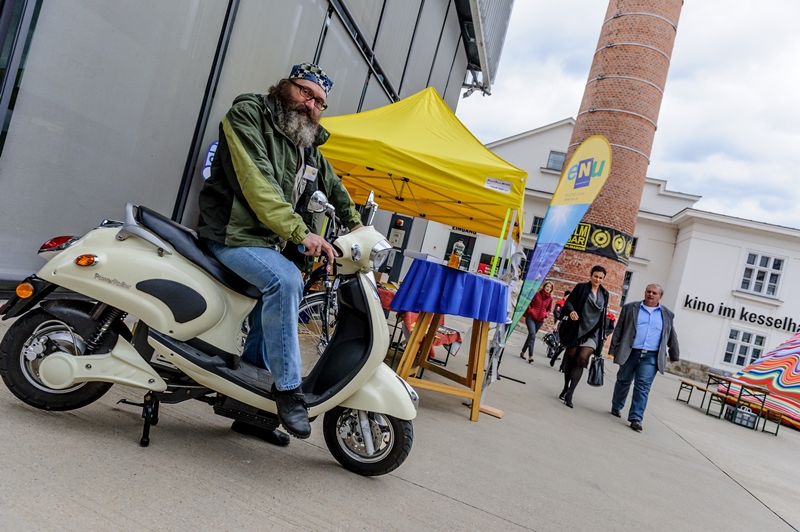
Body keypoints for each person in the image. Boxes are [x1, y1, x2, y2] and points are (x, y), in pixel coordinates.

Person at [197, 63, 363, 443]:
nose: (311, 105)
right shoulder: (249, 114)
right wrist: (300, 232)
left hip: (268, 243)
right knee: (285, 280)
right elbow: (258, 183)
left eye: (320, 102)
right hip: (232, 236)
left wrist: (359, 227)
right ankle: (288, 391)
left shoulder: (305, 143)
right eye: (306, 93)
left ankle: (251, 413)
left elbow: (332, 184)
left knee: (277, 298)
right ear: (285, 86)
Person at [609, 284, 680, 432]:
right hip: (630, 352)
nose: (651, 295)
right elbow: (619, 329)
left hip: (651, 356)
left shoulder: (667, 314)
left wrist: (674, 354)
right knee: (623, 380)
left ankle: (636, 418)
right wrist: (613, 348)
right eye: (648, 291)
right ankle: (616, 405)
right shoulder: (630, 308)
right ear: (645, 292)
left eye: (654, 293)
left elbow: (671, 334)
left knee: (643, 387)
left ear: (660, 296)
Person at [558, 265, 609, 408]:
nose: (597, 279)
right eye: (595, 276)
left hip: (593, 332)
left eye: (600, 277)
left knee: (581, 359)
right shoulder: (581, 287)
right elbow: (569, 302)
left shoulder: (605, 293)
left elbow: (603, 314)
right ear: (591, 275)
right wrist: (572, 311)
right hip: (577, 327)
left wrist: (603, 334)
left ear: (603, 279)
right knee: (571, 357)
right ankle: (565, 387)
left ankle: (570, 394)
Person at [520, 281, 554, 363]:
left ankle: (523, 352)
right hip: (531, 317)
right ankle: (530, 356)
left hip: (540, 320)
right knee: (532, 335)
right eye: (547, 286)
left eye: (550, 288)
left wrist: (545, 314)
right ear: (544, 286)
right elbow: (528, 302)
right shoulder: (536, 294)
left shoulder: (550, 299)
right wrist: (530, 310)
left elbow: (549, 309)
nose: (548, 288)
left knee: (531, 336)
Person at [548, 289, 571, 365]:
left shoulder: (568, 304)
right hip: (559, 322)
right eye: (568, 295)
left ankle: (553, 352)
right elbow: (556, 312)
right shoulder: (560, 303)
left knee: (558, 339)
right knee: (556, 338)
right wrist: (558, 321)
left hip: (563, 323)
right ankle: (551, 352)